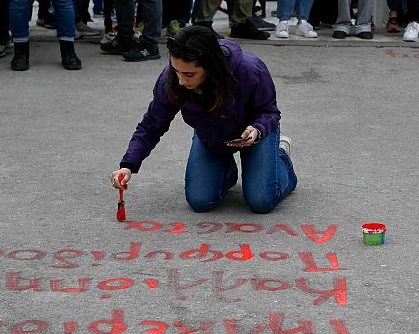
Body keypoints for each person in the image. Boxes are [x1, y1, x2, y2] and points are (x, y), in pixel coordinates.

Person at [112, 25, 297, 215]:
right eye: (176, 71)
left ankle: (280, 157)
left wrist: (258, 129)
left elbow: (269, 112)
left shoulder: (250, 69)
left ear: (210, 66)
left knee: (261, 201)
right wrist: (128, 164)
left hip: (256, 133)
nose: (181, 80)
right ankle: (225, 172)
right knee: (200, 201)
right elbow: (151, 125)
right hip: (211, 135)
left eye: (189, 74)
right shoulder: (172, 79)